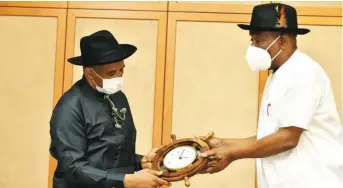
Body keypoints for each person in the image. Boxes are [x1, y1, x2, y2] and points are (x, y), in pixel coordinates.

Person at [199, 3, 343, 188]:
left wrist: (232, 154)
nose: (252, 47)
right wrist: (222, 143)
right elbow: (270, 135)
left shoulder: (302, 72)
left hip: (312, 181)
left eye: (258, 41)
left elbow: (287, 138)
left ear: (282, 41)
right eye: (252, 40)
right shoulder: (278, 75)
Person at [49, 30, 170, 188]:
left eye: (122, 70)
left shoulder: (118, 97)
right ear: (89, 73)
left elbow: (111, 154)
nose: (118, 78)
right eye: (111, 73)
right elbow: (73, 168)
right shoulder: (70, 107)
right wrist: (127, 180)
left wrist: (142, 161)